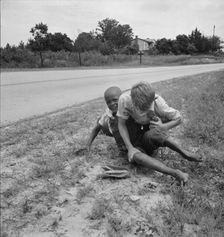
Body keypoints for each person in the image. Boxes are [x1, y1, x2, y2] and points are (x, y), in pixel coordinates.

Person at [117, 81, 202, 185]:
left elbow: (178, 118)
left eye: (147, 108)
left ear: (153, 100)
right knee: (137, 157)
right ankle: (175, 173)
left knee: (156, 131)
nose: (143, 112)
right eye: (140, 108)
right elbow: (121, 124)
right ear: (133, 102)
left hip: (148, 136)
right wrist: (129, 147)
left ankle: (184, 152)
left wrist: (163, 126)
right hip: (133, 141)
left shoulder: (159, 102)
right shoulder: (124, 100)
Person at [85, 86, 126, 152]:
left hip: (130, 135)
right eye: (108, 102)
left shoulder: (128, 109)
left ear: (122, 98)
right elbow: (96, 129)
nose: (112, 103)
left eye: (115, 100)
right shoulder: (108, 114)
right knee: (101, 122)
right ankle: (121, 145)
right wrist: (88, 145)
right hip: (113, 131)